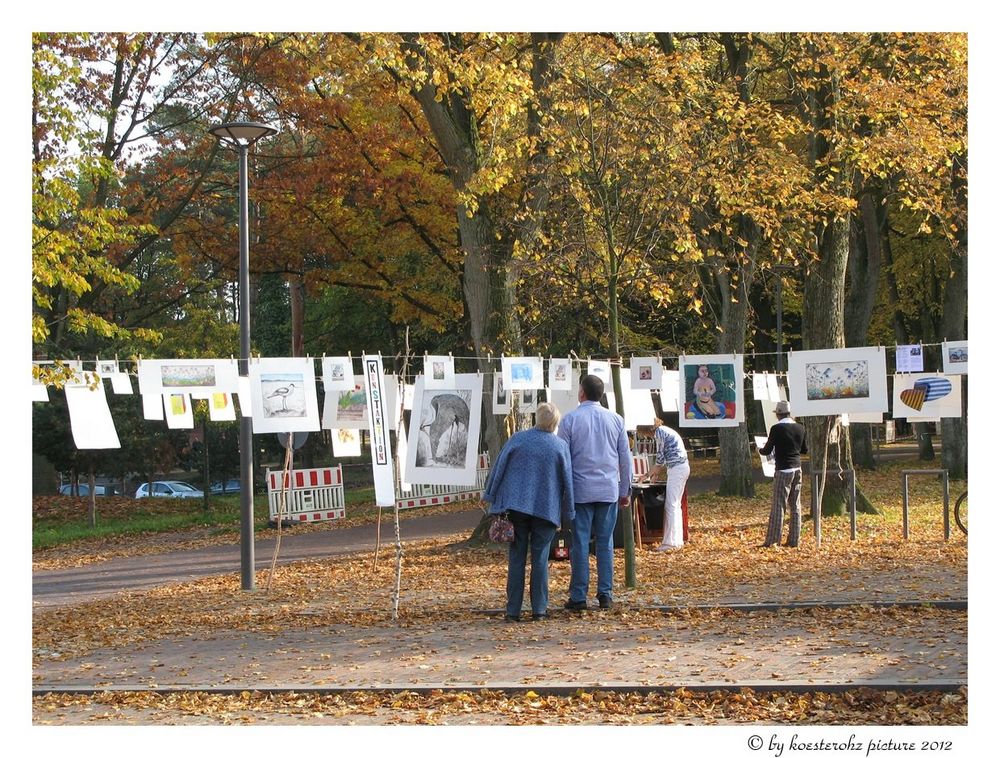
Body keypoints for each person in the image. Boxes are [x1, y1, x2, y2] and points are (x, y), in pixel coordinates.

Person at [483, 403, 574, 621]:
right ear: (555, 422)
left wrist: (489, 495)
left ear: (537, 417)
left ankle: (512, 611)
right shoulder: (559, 446)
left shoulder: (518, 439)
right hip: (546, 509)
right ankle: (539, 610)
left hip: (516, 507)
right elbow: (567, 481)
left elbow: (499, 467)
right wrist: (568, 512)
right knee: (540, 558)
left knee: (517, 558)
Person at [557, 374, 632, 611]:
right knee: (605, 542)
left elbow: (563, 458)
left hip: (580, 490)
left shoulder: (570, 420)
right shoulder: (616, 420)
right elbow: (625, 459)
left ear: (581, 393)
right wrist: (625, 489)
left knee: (579, 542)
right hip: (608, 489)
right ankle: (605, 594)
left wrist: (562, 491)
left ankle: (579, 595)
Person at [757, 400, 808, 548]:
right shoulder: (800, 428)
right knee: (796, 505)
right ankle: (794, 540)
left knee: (779, 505)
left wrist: (759, 450)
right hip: (797, 469)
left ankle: (773, 540)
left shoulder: (776, 429)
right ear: (789, 413)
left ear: (778, 414)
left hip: (783, 469)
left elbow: (766, 450)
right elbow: (804, 450)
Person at [642, 416, 690, 551]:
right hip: (679, 467)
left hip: (677, 468)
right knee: (675, 506)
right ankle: (677, 540)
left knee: (671, 506)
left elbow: (660, 459)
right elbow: (661, 459)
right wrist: (654, 473)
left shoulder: (660, 433)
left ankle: (669, 543)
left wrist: (646, 475)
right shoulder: (665, 431)